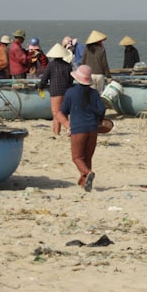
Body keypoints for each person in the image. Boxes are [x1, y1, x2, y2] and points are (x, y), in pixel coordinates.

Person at [60, 64, 106, 192]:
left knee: (77, 157)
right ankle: (85, 183)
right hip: (92, 128)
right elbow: (102, 109)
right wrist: (100, 120)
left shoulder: (70, 92)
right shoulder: (95, 93)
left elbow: (63, 111)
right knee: (87, 157)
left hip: (78, 128)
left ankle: (87, 173)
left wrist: (66, 124)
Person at [39, 43, 74, 138]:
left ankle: (68, 126)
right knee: (62, 112)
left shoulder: (51, 65)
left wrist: (40, 86)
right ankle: (56, 132)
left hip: (55, 90)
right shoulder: (68, 65)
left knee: (56, 111)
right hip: (67, 90)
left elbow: (44, 78)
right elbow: (71, 79)